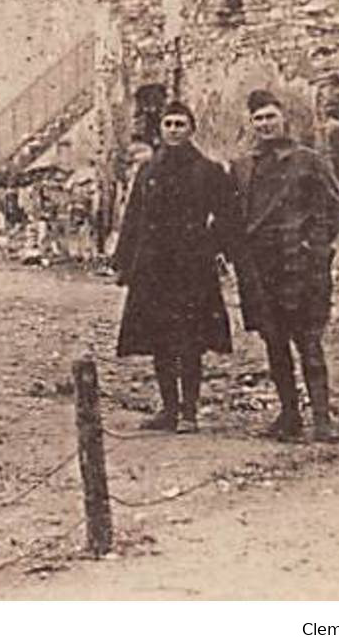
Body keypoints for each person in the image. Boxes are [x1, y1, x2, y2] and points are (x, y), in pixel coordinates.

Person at [230, 89, 339, 443]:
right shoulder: (243, 166)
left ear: (284, 118)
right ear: (251, 124)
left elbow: (337, 211)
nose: (265, 124)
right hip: (261, 269)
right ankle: (289, 416)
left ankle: (323, 420)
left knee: (309, 341)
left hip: (301, 266)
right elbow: (236, 216)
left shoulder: (308, 160)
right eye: (258, 119)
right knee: (274, 343)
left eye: (270, 116)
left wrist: (312, 245)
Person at [113, 101, 235, 433]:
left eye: (180, 124)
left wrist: (214, 247)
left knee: (190, 339)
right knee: (160, 339)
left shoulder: (208, 171)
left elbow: (227, 217)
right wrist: (124, 262)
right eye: (168, 124)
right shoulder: (148, 171)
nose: (174, 130)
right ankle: (168, 409)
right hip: (154, 267)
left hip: (192, 267)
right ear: (161, 129)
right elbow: (133, 219)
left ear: (191, 129)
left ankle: (190, 413)